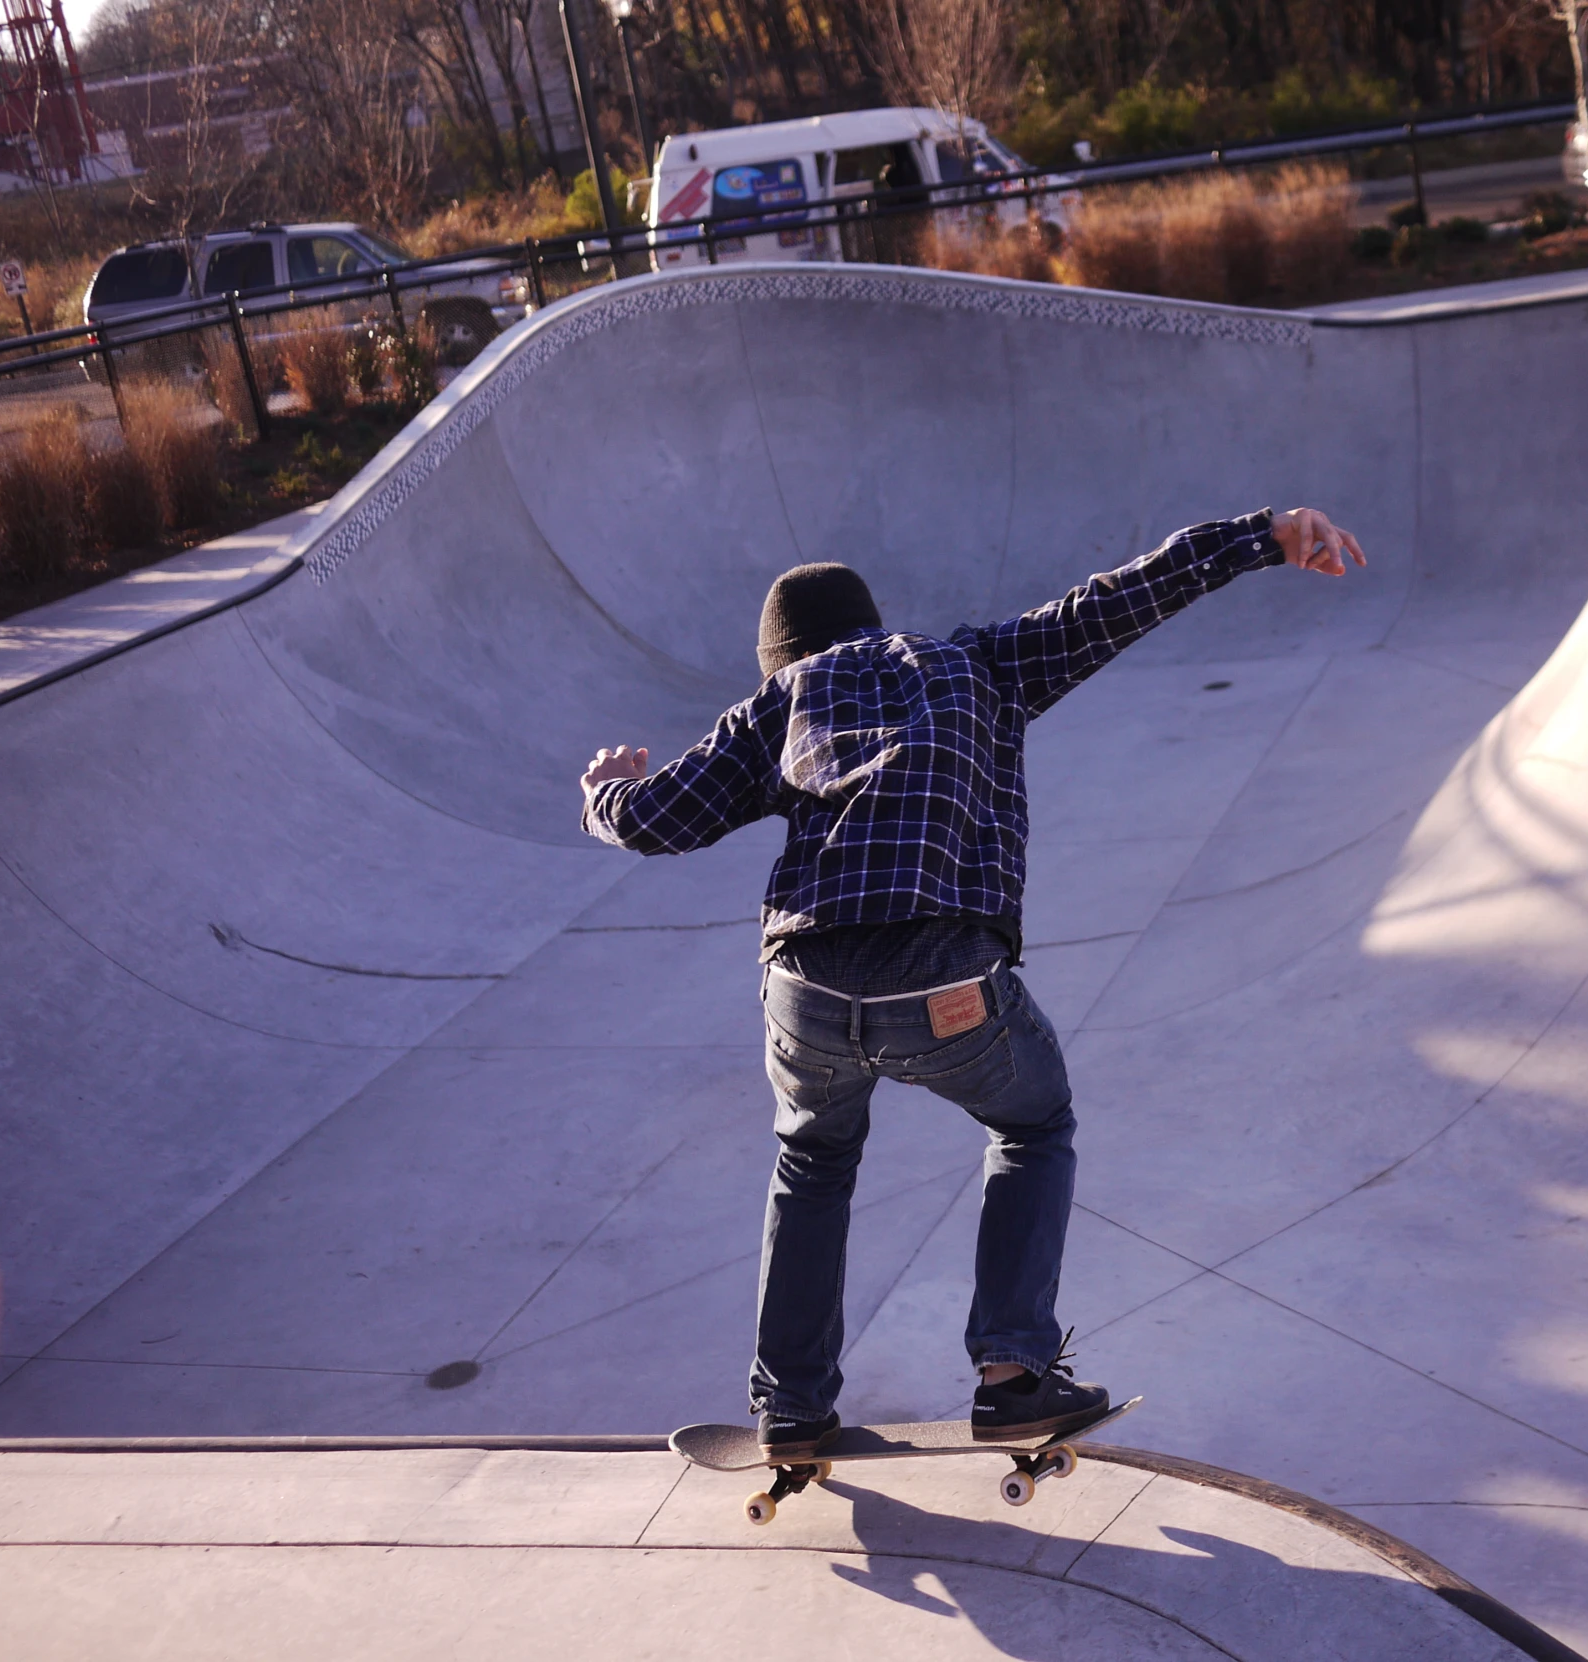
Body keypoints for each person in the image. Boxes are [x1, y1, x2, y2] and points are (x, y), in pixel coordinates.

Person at [581, 508, 1366, 1458]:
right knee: (1034, 1124)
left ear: (782, 656)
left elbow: (659, 819)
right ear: (872, 623)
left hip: (806, 992)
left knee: (813, 1163)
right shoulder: (977, 663)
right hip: (945, 983)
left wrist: (606, 792)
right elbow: (1117, 600)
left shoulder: (779, 702)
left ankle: (789, 1408)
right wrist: (1262, 537)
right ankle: (1013, 1375)